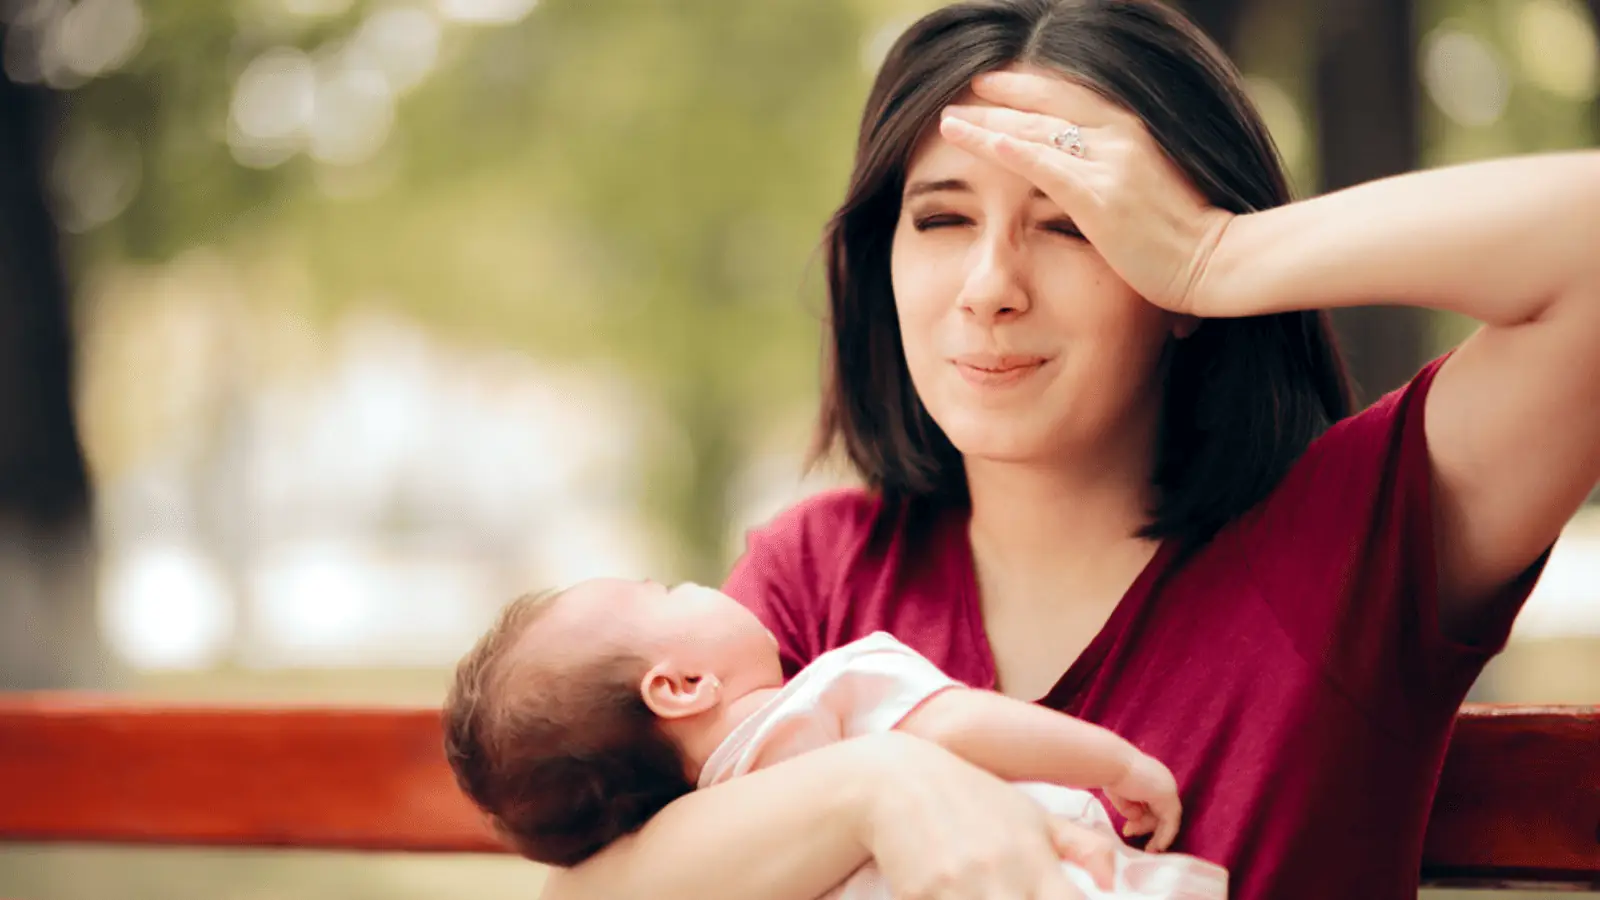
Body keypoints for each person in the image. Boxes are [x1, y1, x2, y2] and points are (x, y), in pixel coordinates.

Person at [539, 0, 1600, 898]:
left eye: (1071, 226)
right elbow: (598, 885)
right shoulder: (820, 577)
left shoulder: (1352, 537)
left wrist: (1218, 253)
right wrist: (883, 786)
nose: (989, 287)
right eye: (942, 219)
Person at [442, 578, 1229, 899]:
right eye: (667, 589)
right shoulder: (830, 692)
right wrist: (1114, 759)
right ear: (680, 686)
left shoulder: (723, 832)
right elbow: (957, 724)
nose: (700, 581)